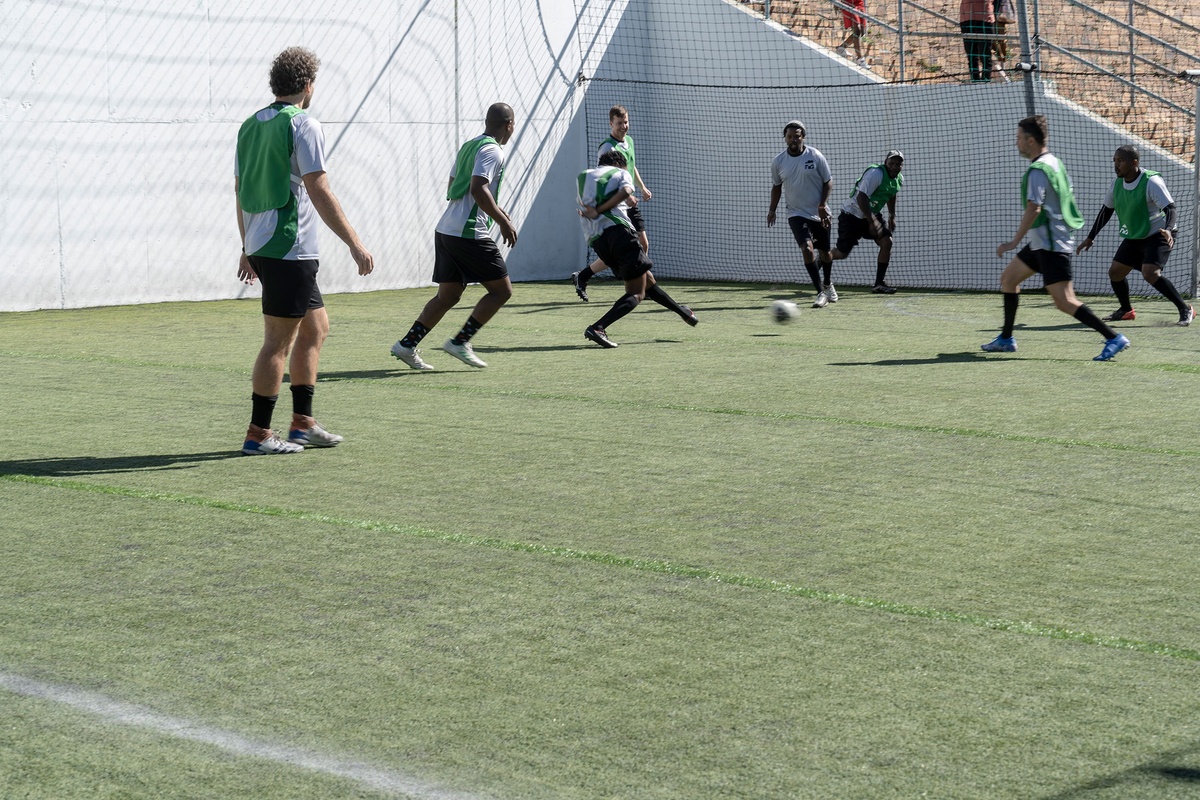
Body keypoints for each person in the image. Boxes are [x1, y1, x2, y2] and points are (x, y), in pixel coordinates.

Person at [235, 46, 374, 455]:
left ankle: (302, 423)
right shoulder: (304, 124)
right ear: (308, 85)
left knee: (316, 329)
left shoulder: (249, 125)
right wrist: (354, 241)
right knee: (278, 341)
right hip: (288, 245)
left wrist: (246, 245)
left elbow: (241, 190)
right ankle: (259, 434)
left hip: (267, 244)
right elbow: (318, 186)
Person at [983, 115, 1130, 361]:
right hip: (1044, 241)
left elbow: (1034, 208)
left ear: (1031, 140)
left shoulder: (1037, 170)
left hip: (1051, 244)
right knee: (1009, 279)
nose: (1016, 142)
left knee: (1065, 301)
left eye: (1019, 138)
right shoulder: (1054, 162)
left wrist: (1013, 242)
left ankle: (1113, 337)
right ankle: (1006, 339)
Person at [391, 103, 518, 370]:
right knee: (501, 291)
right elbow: (479, 189)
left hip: (447, 229)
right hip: (469, 233)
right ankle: (460, 341)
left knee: (447, 296)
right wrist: (503, 222)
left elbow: (453, 185)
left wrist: (492, 208)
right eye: (513, 125)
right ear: (509, 125)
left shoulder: (469, 145)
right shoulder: (494, 150)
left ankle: (406, 345)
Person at [578, 150, 697, 348]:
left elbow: (585, 210)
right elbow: (626, 192)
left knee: (647, 281)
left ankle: (682, 312)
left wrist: (596, 211)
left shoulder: (584, 177)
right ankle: (598, 327)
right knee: (636, 293)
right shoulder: (621, 172)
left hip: (598, 241)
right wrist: (604, 208)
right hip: (620, 234)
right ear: (619, 164)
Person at [1077, 144, 1192, 326]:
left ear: (1134, 162)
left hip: (1159, 233)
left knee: (1150, 273)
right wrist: (1091, 237)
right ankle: (1126, 310)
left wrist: (1168, 229)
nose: (1116, 165)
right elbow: (1106, 211)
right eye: (1114, 161)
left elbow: (1170, 208)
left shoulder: (1151, 182)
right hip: (1136, 235)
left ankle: (1185, 308)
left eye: (1120, 161)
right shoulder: (1116, 184)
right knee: (1115, 273)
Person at [571, 105, 652, 303]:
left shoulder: (629, 142)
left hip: (629, 200)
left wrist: (641, 188)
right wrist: (624, 197)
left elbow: (631, 167)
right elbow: (603, 178)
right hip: (615, 205)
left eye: (626, 122)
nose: (623, 126)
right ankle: (637, 287)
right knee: (626, 249)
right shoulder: (606, 147)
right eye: (619, 123)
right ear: (611, 124)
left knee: (641, 244)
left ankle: (585, 275)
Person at [768, 121, 834, 308]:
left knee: (826, 253)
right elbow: (777, 186)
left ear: (803, 136)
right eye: (789, 136)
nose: (793, 139)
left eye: (797, 135)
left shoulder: (815, 155)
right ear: (785, 139)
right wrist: (772, 210)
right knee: (807, 249)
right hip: (795, 213)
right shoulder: (778, 161)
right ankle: (820, 292)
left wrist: (822, 205)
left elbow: (828, 181)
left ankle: (828, 284)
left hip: (819, 213)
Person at [830, 150, 904, 294]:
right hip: (852, 215)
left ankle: (879, 283)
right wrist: (872, 221)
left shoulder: (899, 178)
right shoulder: (876, 174)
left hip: (871, 215)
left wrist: (891, 215)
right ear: (885, 162)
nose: (894, 166)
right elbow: (861, 198)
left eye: (898, 164)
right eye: (891, 163)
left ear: (902, 166)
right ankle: (823, 258)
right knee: (842, 253)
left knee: (887, 242)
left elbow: (891, 194)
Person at [960, 0, 995, 83]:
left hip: (984, 19)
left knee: (985, 55)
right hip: (967, 19)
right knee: (971, 55)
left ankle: (985, 81)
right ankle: (975, 81)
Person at [835, 0, 869, 68]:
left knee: (860, 32)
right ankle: (860, 59)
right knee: (856, 31)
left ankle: (841, 48)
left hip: (860, 4)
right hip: (848, 4)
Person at [992, 0, 1015, 81]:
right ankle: (1000, 55)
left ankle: (1002, 56)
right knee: (994, 38)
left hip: (998, 12)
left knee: (1000, 37)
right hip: (991, 13)